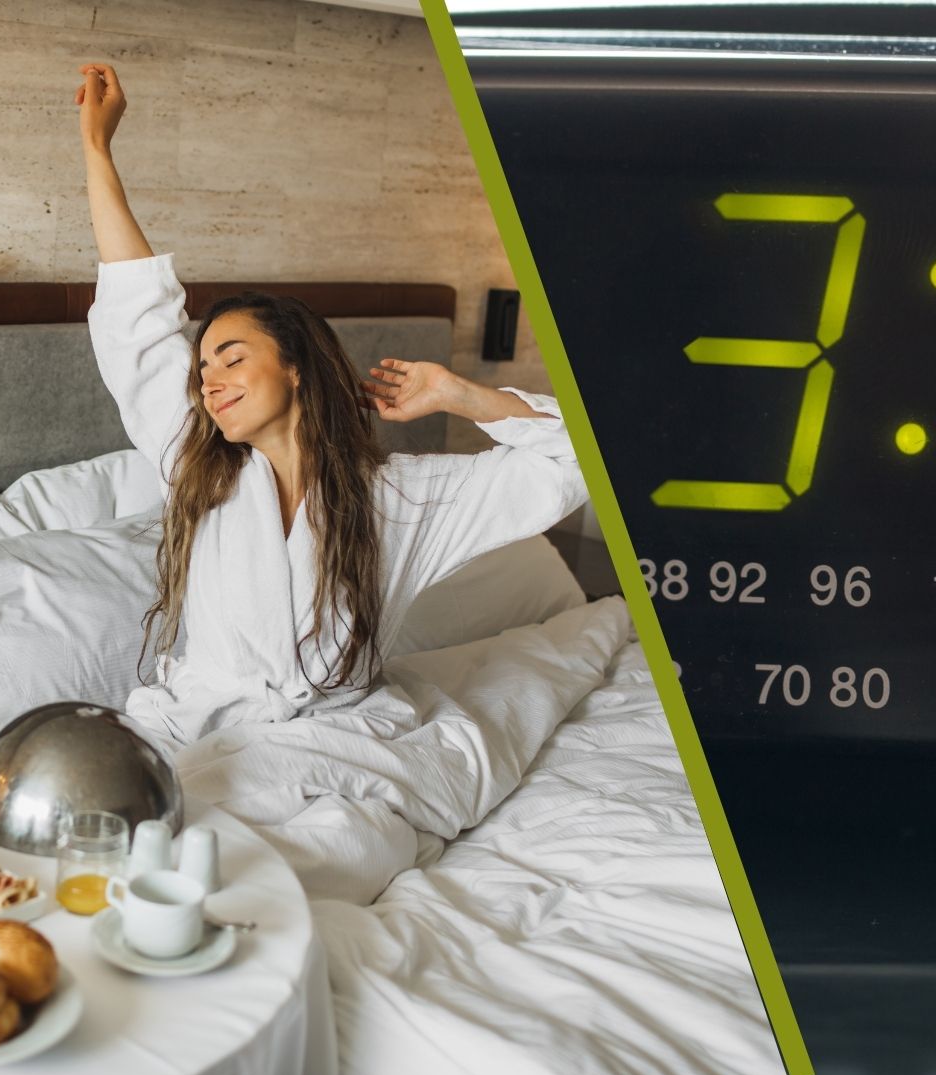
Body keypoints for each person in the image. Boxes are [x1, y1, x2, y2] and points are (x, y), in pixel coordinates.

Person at [74, 62, 587, 753]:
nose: (210, 381)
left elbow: (576, 459)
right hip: (204, 734)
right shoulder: (197, 463)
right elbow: (137, 315)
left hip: (343, 742)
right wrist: (97, 151)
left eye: (231, 357)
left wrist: (459, 395)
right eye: (201, 368)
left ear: (293, 368)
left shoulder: (401, 497)